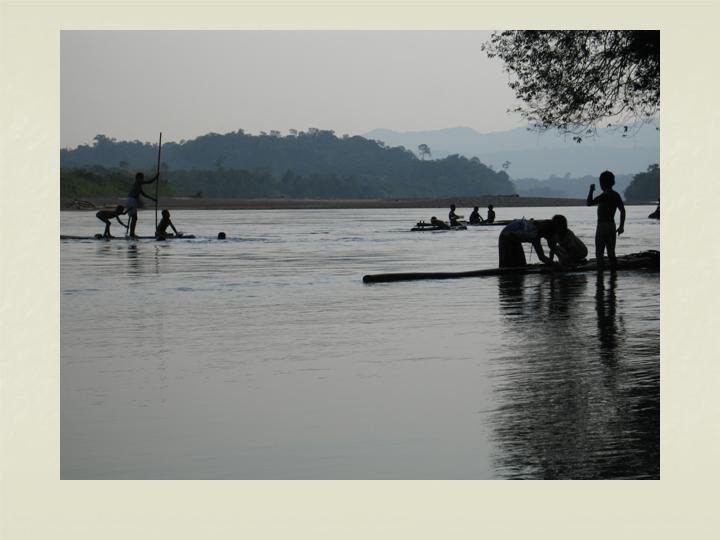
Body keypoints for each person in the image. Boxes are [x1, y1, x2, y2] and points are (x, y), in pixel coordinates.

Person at [587, 170, 626, 271]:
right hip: (611, 226)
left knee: (599, 254)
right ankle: (613, 277)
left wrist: (591, 190)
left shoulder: (604, 195)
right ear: (613, 182)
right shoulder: (615, 195)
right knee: (611, 253)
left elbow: (589, 203)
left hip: (602, 226)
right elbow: (622, 211)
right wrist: (621, 226)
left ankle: (600, 278)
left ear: (602, 183)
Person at [498, 217, 563, 268]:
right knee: (509, 265)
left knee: (521, 264)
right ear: (546, 232)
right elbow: (541, 257)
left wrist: (551, 262)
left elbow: (552, 246)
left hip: (514, 239)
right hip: (506, 238)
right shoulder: (534, 234)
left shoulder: (539, 227)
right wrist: (555, 264)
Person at [126, 172, 158, 238]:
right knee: (134, 217)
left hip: (131, 200)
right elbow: (149, 182)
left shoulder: (138, 186)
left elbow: (144, 195)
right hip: (132, 200)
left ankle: (131, 233)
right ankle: (132, 233)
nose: (142, 179)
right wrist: (156, 177)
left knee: (134, 217)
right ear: (139, 178)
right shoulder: (138, 182)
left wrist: (153, 199)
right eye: (142, 178)